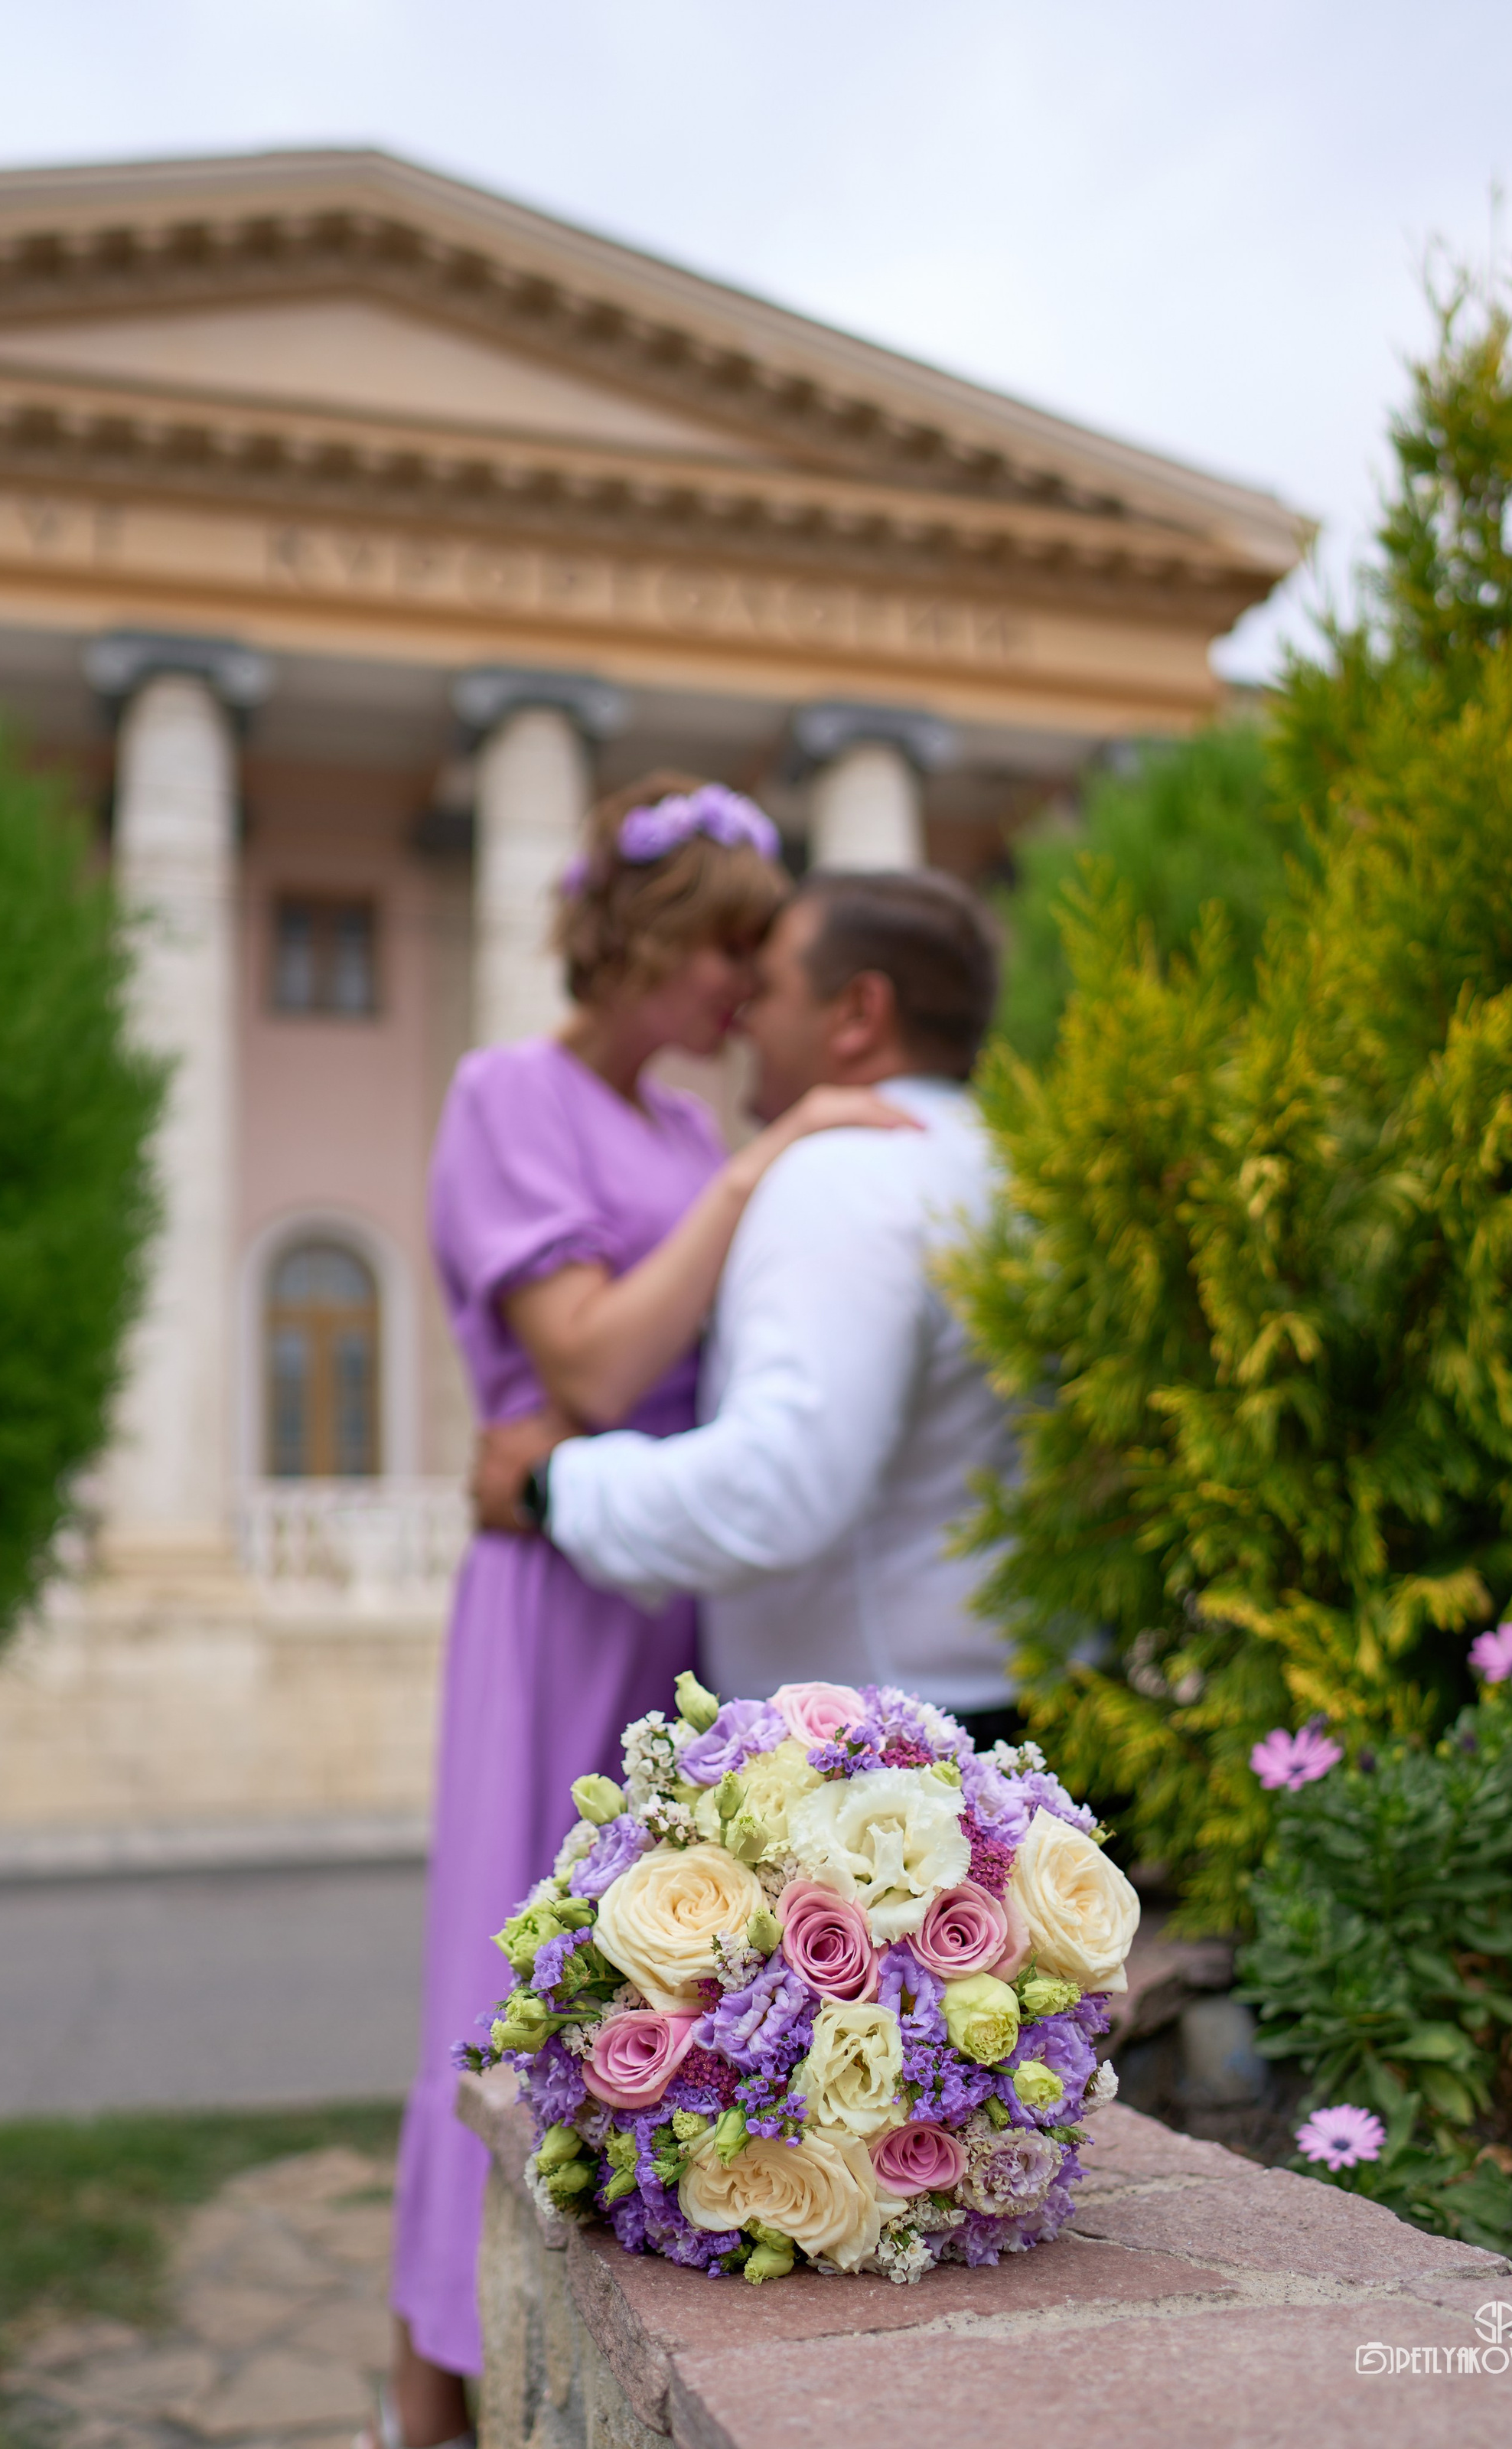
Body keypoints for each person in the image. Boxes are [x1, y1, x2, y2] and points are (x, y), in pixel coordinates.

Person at [389, 778, 911, 2449]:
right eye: (720, 951)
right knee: (500, 1995)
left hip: (681, 1612)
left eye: (762, 954)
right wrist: (770, 1157)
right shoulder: (505, 1094)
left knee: (656, 1999)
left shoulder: (690, 1137)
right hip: (552, 1608)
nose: (734, 992)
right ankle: (429, 2406)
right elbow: (599, 1363)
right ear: (638, 941)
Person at [474, 866, 1022, 1750]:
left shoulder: (843, 1175)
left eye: (764, 990)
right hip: (1004, 1710)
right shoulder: (1002, 1163)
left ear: (856, 1014)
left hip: (877, 1752)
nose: (743, 1020)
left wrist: (552, 1485)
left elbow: (780, 1487)